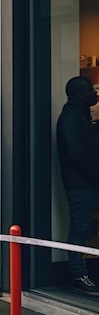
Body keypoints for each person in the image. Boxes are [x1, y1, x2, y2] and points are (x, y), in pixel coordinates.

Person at [56, 76, 99, 296]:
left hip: (86, 182)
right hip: (81, 184)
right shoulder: (71, 118)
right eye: (90, 90)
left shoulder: (79, 116)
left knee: (83, 228)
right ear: (78, 94)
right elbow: (78, 154)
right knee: (80, 229)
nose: (95, 93)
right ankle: (78, 274)